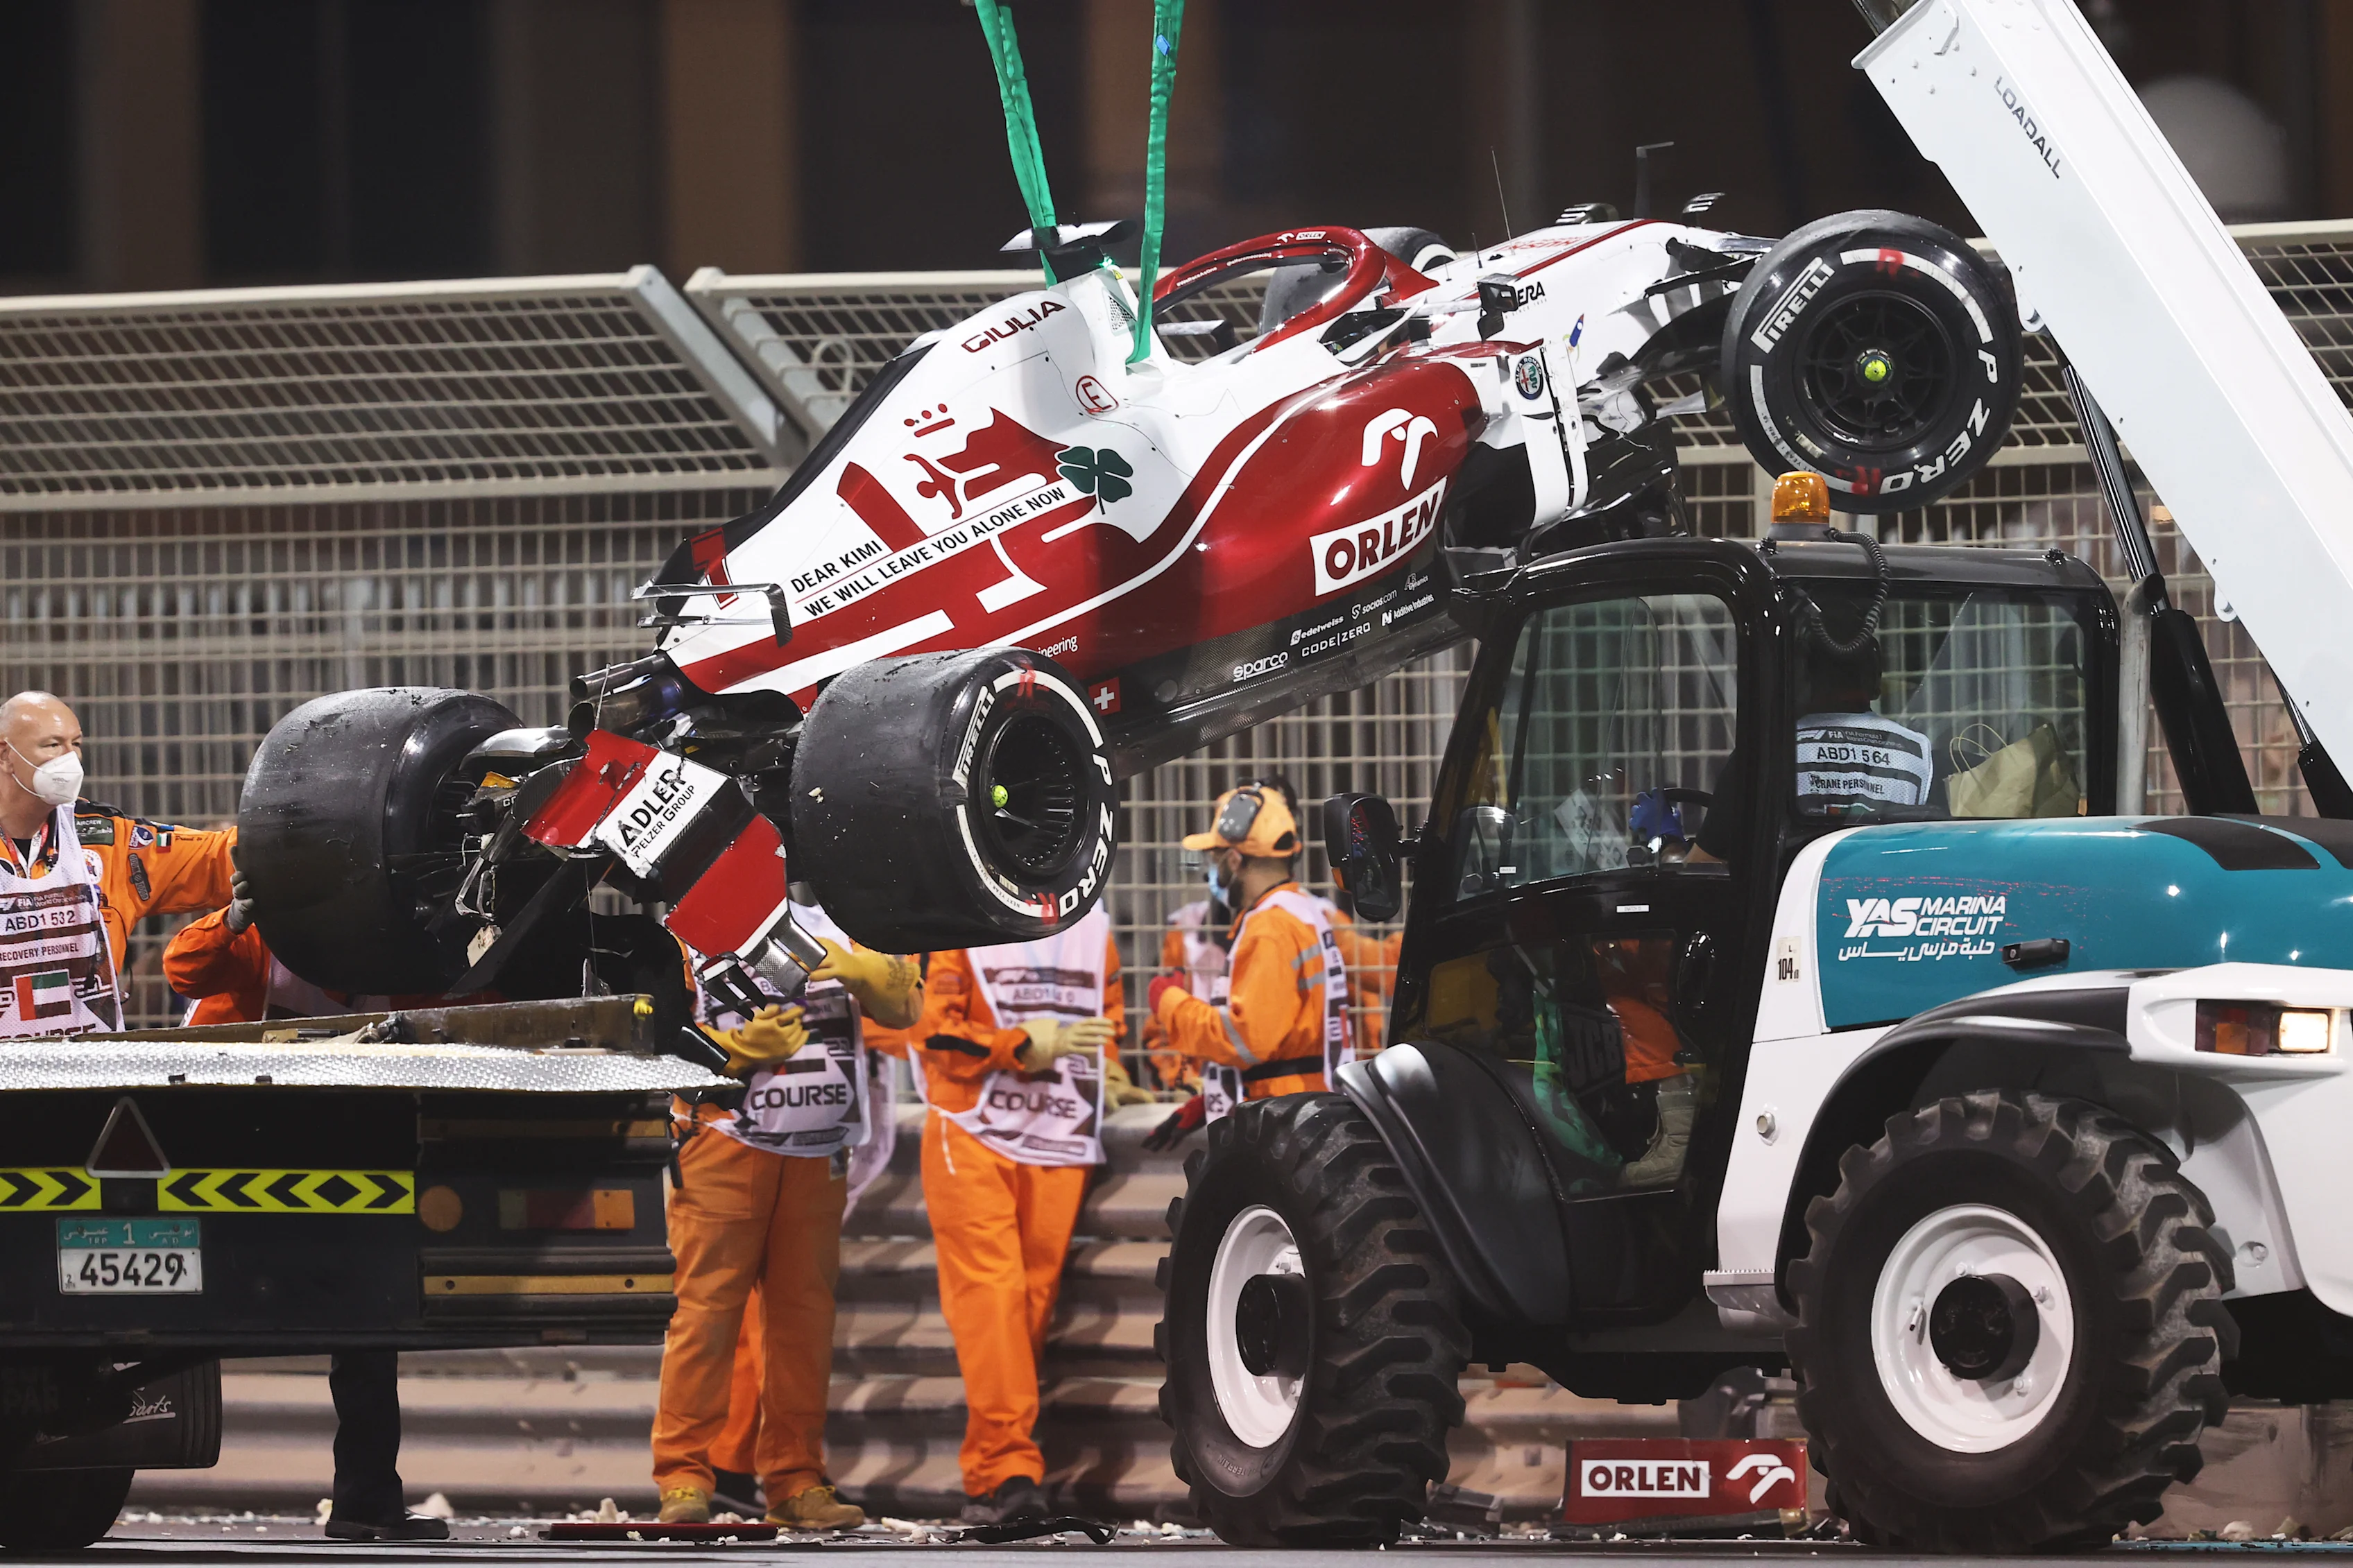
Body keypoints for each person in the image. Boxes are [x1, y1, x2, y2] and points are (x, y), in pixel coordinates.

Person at [653, 903, 922, 1531]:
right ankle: (685, 1477)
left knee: (803, 1323)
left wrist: (856, 968)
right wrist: (737, 1051)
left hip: (817, 1150)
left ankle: (797, 1479)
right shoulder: (681, 934)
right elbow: (657, 1042)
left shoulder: (846, 922)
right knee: (705, 1319)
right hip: (724, 1142)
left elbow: (907, 1007)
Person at [884, 904, 1137, 1524]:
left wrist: (1117, 1073)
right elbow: (933, 1033)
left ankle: (990, 1467)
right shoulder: (954, 921)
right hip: (972, 1132)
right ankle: (1011, 1470)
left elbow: (1109, 1020)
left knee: (1029, 1304)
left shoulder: (1094, 926)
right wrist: (1021, 1044)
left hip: (1060, 1133)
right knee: (992, 1302)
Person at [0, 690, 235, 1040]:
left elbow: (215, 857)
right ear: (6, 755)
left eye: (76, 744)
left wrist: (290, 834)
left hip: (90, 1075)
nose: (70, 760)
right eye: (52, 746)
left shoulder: (105, 840)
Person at [1144, 784, 1350, 1143]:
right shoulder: (1303, 913)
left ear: (1235, 860)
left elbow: (1244, 1038)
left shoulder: (1269, 928)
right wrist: (1212, 1099)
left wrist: (1168, 1002)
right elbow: (1284, 1037)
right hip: (1303, 1108)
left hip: (1282, 1122)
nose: (1213, 869)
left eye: (1216, 857)